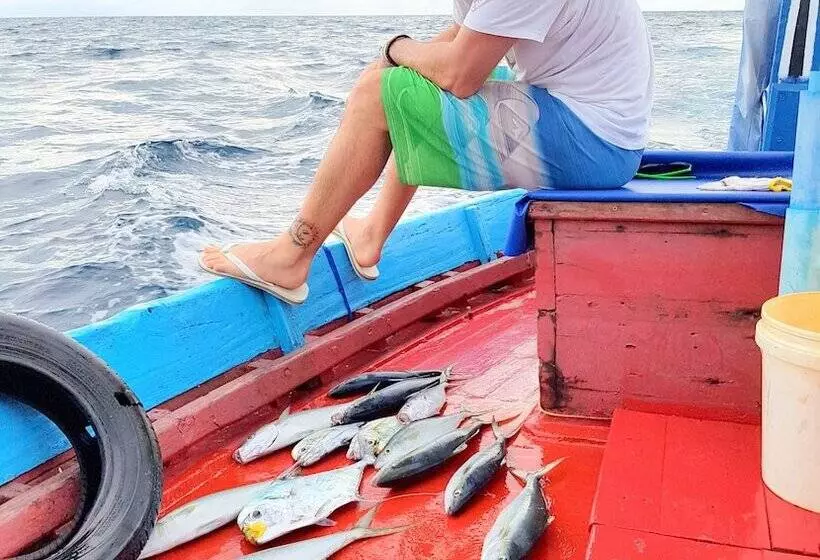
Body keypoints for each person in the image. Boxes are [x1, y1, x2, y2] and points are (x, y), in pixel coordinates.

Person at [200, 0, 654, 304]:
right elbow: (459, 40)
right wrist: (392, 66)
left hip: (595, 143)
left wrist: (394, 50)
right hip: (596, 131)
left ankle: (290, 258)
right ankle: (371, 236)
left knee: (384, 93)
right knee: (400, 85)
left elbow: (460, 74)